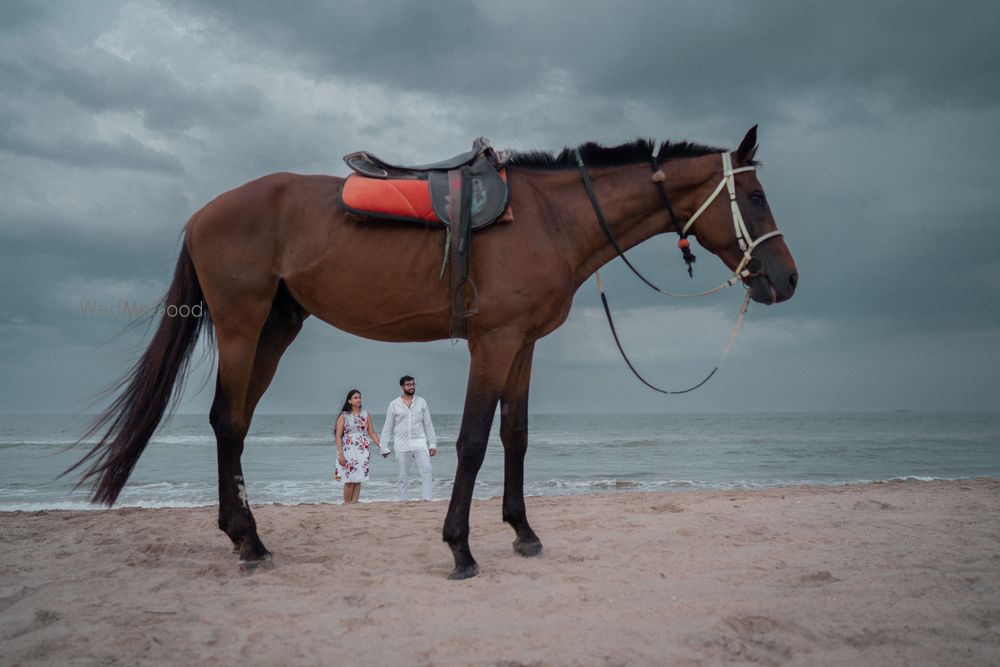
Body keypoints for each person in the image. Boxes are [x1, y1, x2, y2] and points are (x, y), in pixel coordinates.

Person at [379, 375, 438, 501]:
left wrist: (432, 443)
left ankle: (427, 499)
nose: (411, 387)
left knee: (427, 470)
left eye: (413, 384)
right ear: (402, 387)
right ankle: (402, 500)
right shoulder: (394, 404)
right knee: (402, 476)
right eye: (408, 384)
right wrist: (383, 447)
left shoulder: (422, 402)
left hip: (420, 443)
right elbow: (387, 427)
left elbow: (428, 424)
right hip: (402, 444)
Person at [333, 389, 383, 504]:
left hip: (362, 449)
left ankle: (354, 504)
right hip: (348, 450)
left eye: (359, 397)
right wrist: (340, 454)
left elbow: (372, 433)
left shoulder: (365, 414)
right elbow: (338, 436)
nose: (358, 400)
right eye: (355, 398)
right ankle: (347, 503)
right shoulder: (344, 416)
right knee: (349, 479)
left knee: (358, 478)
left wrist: (382, 446)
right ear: (349, 401)